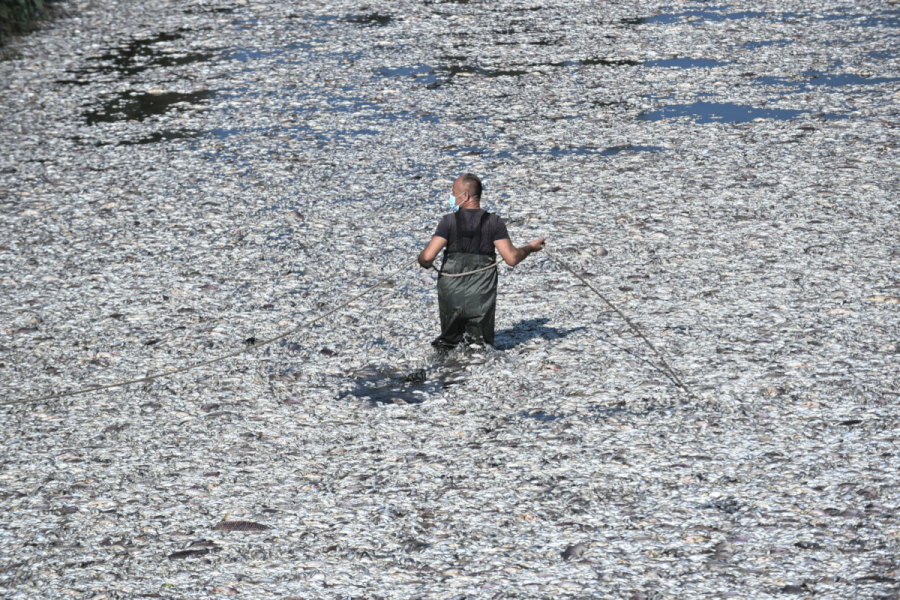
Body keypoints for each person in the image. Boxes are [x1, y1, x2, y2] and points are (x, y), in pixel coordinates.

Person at [418, 174, 546, 349]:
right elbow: (511, 258)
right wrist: (530, 248)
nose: (451, 197)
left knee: (449, 344)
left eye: (453, 192)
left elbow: (427, 258)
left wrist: (422, 260)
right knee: (480, 347)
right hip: (481, 295)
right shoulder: (494, 222)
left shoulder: (448, 221)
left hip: (451, 294)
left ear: (465, 196)